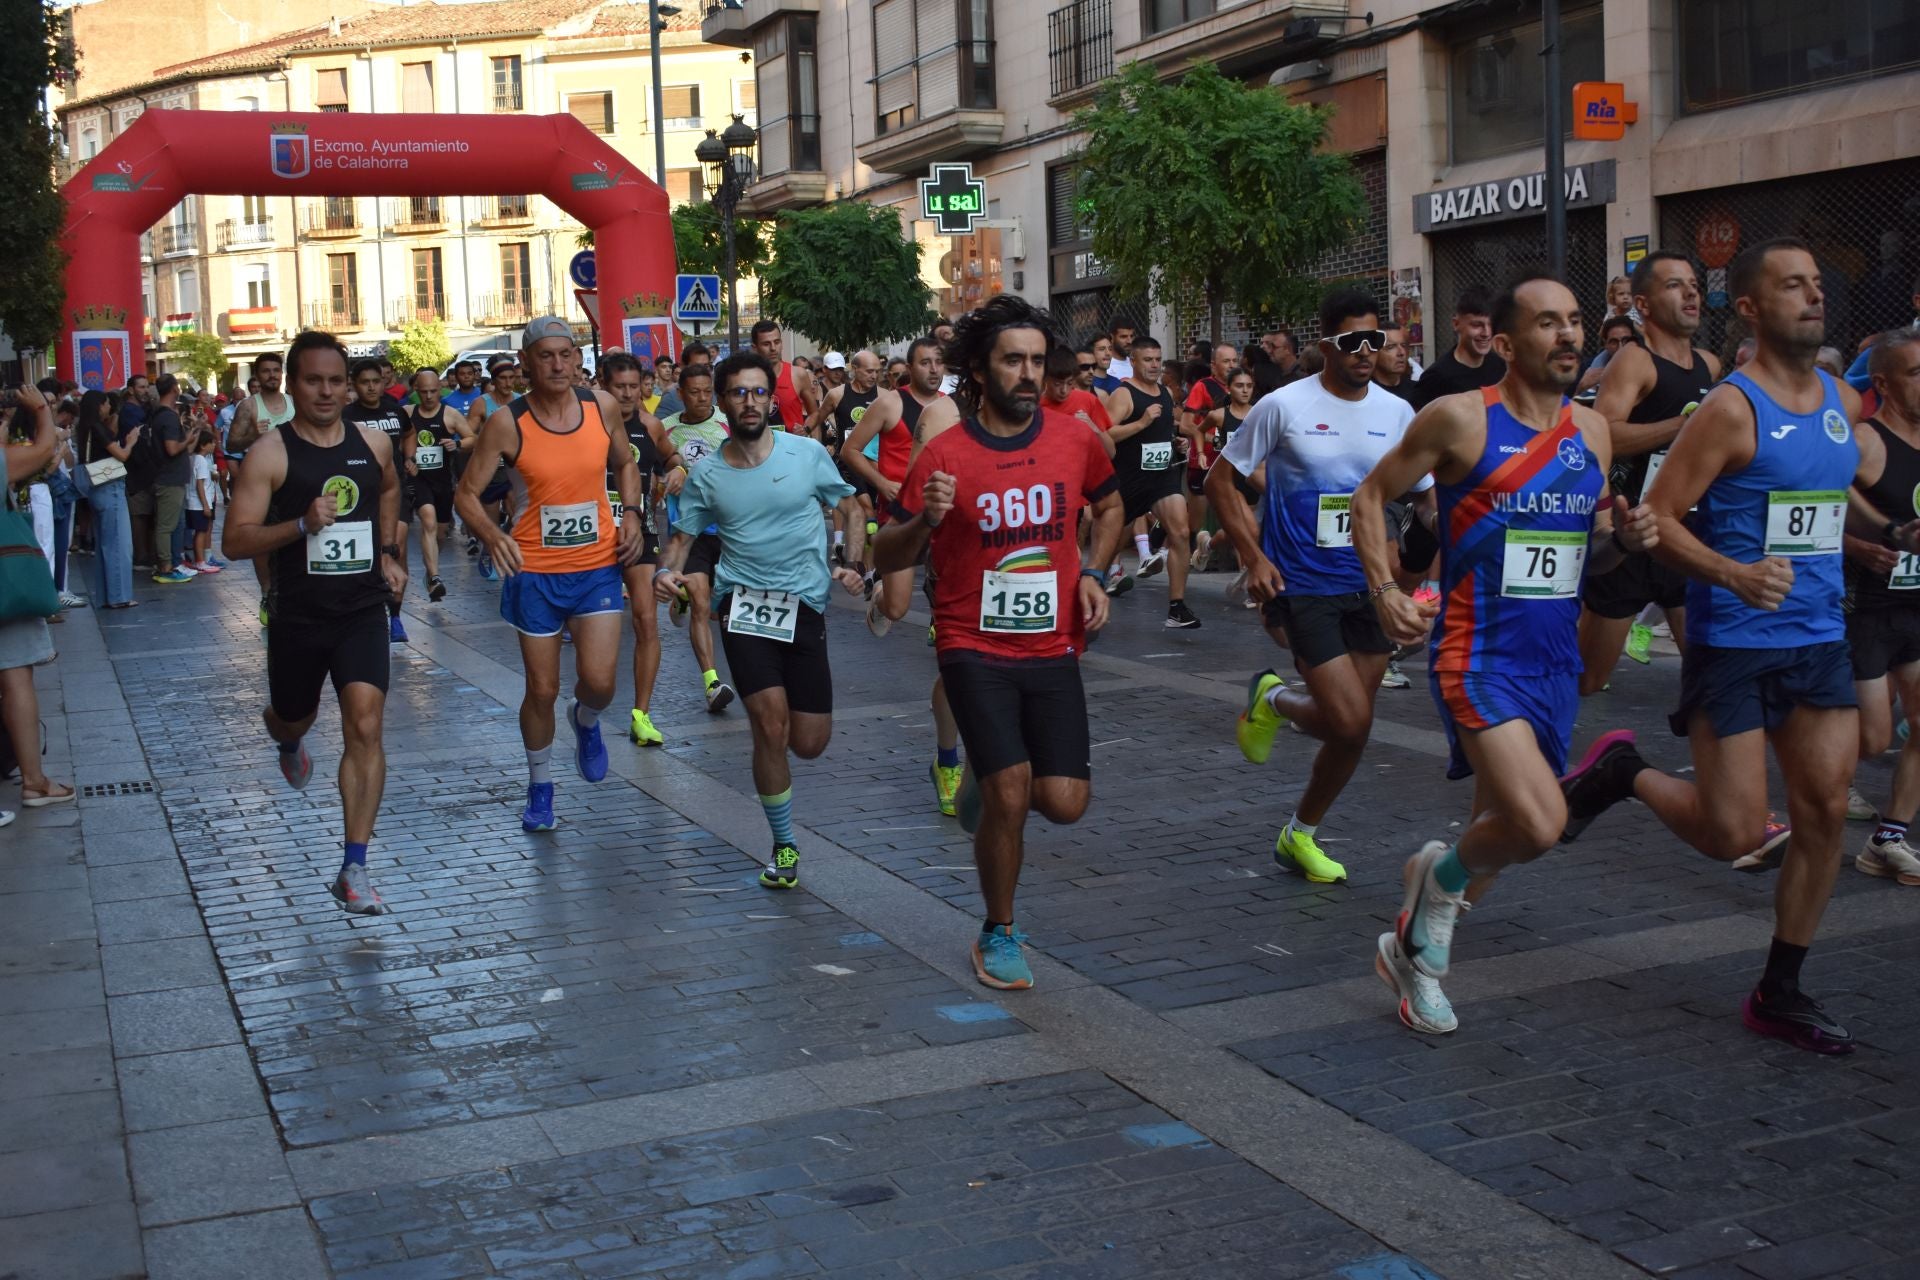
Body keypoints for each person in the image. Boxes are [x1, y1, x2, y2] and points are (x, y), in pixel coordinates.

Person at [1560, 239, 1919, 1054]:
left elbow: (1834, 491)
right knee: (1729, 833)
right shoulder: (1730, 408)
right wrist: (1735, 574)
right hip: (1736, 641)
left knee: (1825, 810)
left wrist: (1886, 530)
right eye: (1792, 285)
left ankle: (1780, 988)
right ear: (1752, 309)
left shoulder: (1837, 396)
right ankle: (1624, 772)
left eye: (1818, 283)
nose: (1813, 296)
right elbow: (1661, 524)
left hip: (1820, 635)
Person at [1348, 274, 1657, 1036]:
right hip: (1476, 654)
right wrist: (1386, 587)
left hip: (1555, 662)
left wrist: (1624, 541)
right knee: (1541, 821)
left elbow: (1583, 555)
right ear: (1509, 344)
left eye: (1576, 320)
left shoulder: (1591, 434)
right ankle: (1434, 896)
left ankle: (1413, 947)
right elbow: (1370, 495)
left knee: (1504, 830)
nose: (1569, 336)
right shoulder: (1457, 420)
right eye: (1549, 323)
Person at [876, 295, 1124, 990]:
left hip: (1053, 645)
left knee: (1064, 801)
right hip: (969, 642)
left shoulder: (1074, 439)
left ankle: (983, 800)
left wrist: (1096, 570)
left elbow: (1109, 505)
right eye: (1013, 360)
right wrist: (924, 519)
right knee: (1013, 792)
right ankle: (999, 928)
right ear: (979, 371)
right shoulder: (946, 454)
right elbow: (887, 552)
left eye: (1038, 362)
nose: (1028, 374)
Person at [1212, 290, 1427, 884]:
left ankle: (1298, 831)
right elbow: (1219, 482)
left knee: (1349, 730)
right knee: (1352, 721)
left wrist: (1425, 568)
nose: (1366, 352)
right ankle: (1277, 700)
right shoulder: (1283, 406)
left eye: (1374, 340)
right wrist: (1253, 557)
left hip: (1371, 585)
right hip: (1301, 583)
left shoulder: (1397, 414)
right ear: (1327, 343)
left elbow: (1424, 495)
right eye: (1353, 341)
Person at [653, 352, 864, 889]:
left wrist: (852, 564)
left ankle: (784, 787)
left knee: (809, 742)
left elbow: (851, 508)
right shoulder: (706, 475)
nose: (750, 402)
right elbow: (683, 537)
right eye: (738, 393)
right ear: (723, 402)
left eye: (758, 392)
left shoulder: (806, 454)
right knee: (769, 727)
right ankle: (785, 845)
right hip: (743, 610)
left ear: (771, 398)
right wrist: (665, 573)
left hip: (806, 609)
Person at [221, 330, 407, 914]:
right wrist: (300, 526)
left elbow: (391, 489)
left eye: (335, 381)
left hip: (360, 609)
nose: (326, 392)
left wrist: (388, 552)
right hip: (299, 615)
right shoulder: (270, 454)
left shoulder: (373, 443)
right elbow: (234, 540)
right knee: (292, 714)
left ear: (347, 385)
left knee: (366, 722)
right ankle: (289, 735)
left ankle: (354, 865)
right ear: (292, 385)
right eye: (313, 381)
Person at [459, 318, 647, 832]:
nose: (559, 364)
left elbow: (625, 464)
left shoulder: (601, 406)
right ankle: (540, 787)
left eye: (567, 354)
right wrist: (493, 536)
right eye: (547, 356)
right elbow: (466, 495)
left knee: (601, 683)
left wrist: (631, 513)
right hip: (534, 570)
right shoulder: (507, 423)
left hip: (596, 567)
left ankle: (585, 721)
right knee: (541, 689)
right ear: (526, 363)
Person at [1576, 254, 1719, 691]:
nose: (1691, 292)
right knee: (1589, 680)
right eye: (1676, 285)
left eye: (1693, 284)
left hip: (1687, 531)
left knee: (1707, 673)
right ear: (1644, 303)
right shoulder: (1635, 361)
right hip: (1633, 534)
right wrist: (1683, 426)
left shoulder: (1710, 365)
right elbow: (1605, 434)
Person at [1843, 327, 1920, 884]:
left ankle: (1888, 839)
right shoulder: (1865, 441)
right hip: (1868, 609)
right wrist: (1857, 546)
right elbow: (1818, 505)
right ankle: (1814, 754)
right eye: (1916, 373)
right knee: (1872, 739)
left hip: (1917, 607)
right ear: (1884, 383)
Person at [0, 384, 74, 818]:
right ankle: (34, 780)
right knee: (15, 676)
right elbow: (45, 451)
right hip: (7, 582)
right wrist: (41, 410)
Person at [599, 351, 679, 746]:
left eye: (634, 386)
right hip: (595, 534)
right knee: (595, 628)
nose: (628, 394)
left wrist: (677, 471)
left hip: (640, 531)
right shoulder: (587, 424)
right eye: (620, 387)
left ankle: (641, 714)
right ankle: (590, 700)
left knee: (646, 621)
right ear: (603, 385)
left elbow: (671, 457)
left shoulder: (649, 424)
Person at [1104, 336, 1199, 627]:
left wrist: (1177, 444)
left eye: (1158, 360)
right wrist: (1142, 422)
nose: (1154, 365)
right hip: (1129, 480)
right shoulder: (1123, 394)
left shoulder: (1166, 393)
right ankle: (1092, 583)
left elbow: (1162, 433)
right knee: (1108, 545)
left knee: (1181, 532)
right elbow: (1104, 435)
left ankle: (1176, 607)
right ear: (1133, 362)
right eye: (1147, 360)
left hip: (1162, 476)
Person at [660, 362, 737, 714]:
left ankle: (683, 600)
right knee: (702, 604)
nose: (703, 398)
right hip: (689, 531)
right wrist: (666, 478)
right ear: (680, 393)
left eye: (708, 391)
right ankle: (711, 682)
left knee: (727, 611)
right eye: (695, 392)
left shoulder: (728, 423)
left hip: (729, 528)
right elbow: (653, 472)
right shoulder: (666, 430)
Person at [222, 354, 297, 619]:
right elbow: (231, 445)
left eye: (276, 370)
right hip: (263, 483)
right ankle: (267, 593)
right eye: (266, 371)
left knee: (295, 535)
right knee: (261, 541)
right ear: (257, 375)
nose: (272, 376)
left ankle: (294, 592)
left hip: (294, 480)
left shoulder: (294, 402)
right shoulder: (248, 407)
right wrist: (254, 435)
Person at [342, 360, 412, 641]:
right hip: (361, 495)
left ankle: (395, 616)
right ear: (354, 385)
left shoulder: (395, 411)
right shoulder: (346, 415)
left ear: (384, 382)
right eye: (364, 382)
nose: (371, 386)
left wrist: (409, 457)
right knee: (367, 555)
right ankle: (365, 611)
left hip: (396, 491)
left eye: (376, 381)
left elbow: (409, 432)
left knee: (396, 547)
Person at [406, 368, 470, 603]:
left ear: (440, 390)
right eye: (424, 392)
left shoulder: (450, 414)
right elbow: (393, 441)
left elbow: (472, 438)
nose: (430, 396)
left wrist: (459, 444)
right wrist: (407, 459)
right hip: (418, 480)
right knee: (428, 521)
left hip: (443, 481)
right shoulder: (407, 413)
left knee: (440, 532)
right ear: (417, 391)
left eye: (434, 391)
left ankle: (430, 568)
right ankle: (434, 577)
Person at [71, 390, 137, 610]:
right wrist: (130, 442)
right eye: (107, 404)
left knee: (105, 544)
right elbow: (122, 455)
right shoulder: (98, 428)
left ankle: (108, 595)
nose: (109, 408)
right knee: (119, 544)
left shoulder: (84, 429)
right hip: (110, 488)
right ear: (99, 405)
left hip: (95, 489)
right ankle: (119, 596)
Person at [465, 355, 521, 577]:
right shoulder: (482, 404)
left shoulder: (520, 401)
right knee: (490, 523)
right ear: (494, 381)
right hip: (489, 470)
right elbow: (469, 432)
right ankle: (489, 550)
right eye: (503, 379)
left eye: (511, 378)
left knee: (515, 509)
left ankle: (514, 554)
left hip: (513, 468)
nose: (508, 383)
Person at [1182, 343, 1237, 571]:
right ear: (1214, 366)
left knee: (1237, 517)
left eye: (1235, 361)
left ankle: (1236, 563)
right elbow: (1186, 426)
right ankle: (1187, 552)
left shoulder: (1240, 387)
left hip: (1232, 464)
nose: (1232, 366)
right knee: (1196, 519)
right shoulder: (1203, 387)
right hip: (1203, 461)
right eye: (1226, 362)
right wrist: (1216, 441)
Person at [1412, 288, 1507, 409]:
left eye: (1491, 325)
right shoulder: (1436, 377)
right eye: (1477, 325)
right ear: (1456, 324)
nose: (1486, 333)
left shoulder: (1501, 367)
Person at [148, 374, 195, 584]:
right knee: (166, 525)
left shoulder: (161, 414)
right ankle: (165, 566)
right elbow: (172, 448)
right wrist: (187, 440)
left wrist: (190, 434)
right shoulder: (167, 416)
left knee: (174, 523)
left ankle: (173, 563)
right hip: (169, 478)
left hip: (170, 477)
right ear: (175, 389)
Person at [750, 320, 820, 433]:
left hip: (793, 446)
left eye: (777, 342)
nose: (773, 348)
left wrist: (805, 429)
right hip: (759, 447)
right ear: (755, 347)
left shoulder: (798, 374)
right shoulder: (747, 378)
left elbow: (814, 413)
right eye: (766, 344)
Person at [183, 427, 222, 574]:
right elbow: (200, 484)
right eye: (211, 443)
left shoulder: (193, 458)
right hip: (199, 503)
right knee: (201, 531)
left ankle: (199, 560)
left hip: (192, 501)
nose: (214, 445)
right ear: (203, 445)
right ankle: (200, 561)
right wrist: (206, 505)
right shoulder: (201, 460)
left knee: (199, 531)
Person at [1372, 327, 1419, 404]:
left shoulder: (1417, 392)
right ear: (1374, 353)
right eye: (1390, 347)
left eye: (1403, 346)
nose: (1401, 352)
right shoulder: (1364, 394)